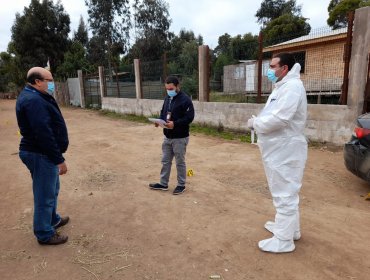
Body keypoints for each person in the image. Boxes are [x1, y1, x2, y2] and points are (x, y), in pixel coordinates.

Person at [247, 53, 308, 253]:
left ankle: (283, 240)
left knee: (284, 194)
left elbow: (280, 118)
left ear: (284, 68)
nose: (269, 70)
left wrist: (256, 123)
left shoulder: (292, 88)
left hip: (286, 149)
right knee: (286, 191)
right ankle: (291, 230)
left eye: (273, 66)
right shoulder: (283, 87)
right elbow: (274, 114)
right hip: (280, 148)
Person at [16, 67, 70, 245]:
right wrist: (59, 159)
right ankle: (44, 233)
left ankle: (52, 219)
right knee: (44, 195)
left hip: (41, 152)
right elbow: (43, 134)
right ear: (38, 81)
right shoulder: (33, 100)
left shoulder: (35, 96)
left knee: (51, 190)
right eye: (49, 79)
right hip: (40, 154)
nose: (52, 83)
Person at [149, 76, 195, 195]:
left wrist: (175, 124)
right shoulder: (167, 98)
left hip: (180, 137)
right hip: (167, 136)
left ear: (177, 86)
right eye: (167, 89)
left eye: (171, 88)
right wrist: (159, 121)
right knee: (165, 161)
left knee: (180, 162)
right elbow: (164, 113)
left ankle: (181, 185)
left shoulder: (185, 100)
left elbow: (189, 118)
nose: (169, 90)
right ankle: (163, 183)